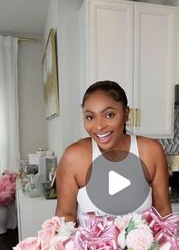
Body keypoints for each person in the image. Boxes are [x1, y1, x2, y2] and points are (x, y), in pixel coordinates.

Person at [56, 80, 171, 223]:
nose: (99, 126)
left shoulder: (151, 151)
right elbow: (65, 216)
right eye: (90, 117)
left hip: (144, 246)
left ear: (126, 114)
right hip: (88, 246)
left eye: (109, 115)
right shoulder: (74, 157)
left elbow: (163, 211)